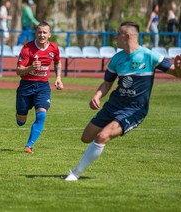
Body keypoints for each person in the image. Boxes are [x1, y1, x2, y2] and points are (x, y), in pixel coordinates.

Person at [65, 21, 181, 181]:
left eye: (118, 33)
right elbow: (107, 84)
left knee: (102, 137)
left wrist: (179, 67)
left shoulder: (150, 56)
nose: (115, 37)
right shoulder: (117, 59)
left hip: (134, 109)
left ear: (127, 36)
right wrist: (97, 95)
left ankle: (75, 174)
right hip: (113, 105)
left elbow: (178, 74)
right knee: (86, 137)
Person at [15, 21, 64, 154]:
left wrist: (58, 78)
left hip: (43, 86)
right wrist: (31, 67)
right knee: (21, 121)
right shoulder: (27, 48)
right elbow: (19, 70)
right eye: (39, 32)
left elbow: (57, 63)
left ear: (49, 34)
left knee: (41, 115)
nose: (42, 35)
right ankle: (20, 114)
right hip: (26, 86)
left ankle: (29, 145)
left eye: (44, 32)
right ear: (35, 34)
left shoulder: (54, 48)